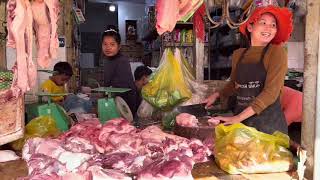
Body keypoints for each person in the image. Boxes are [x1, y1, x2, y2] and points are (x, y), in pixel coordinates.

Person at [204, 5, 293, 134]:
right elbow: (234, 84)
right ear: (250, 27)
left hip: (268, 128)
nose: (269, 28)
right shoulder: (238, 54)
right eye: (263, 22)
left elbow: (271, 93)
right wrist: (217, 95)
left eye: (273, 25)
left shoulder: (277, 53)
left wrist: (237, 118)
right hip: (243, 125)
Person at [101, 29, 138, 114]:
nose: (108, 47)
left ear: (119, 46)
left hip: (125, 102)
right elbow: (107, 82)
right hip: (114, 100)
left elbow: (125, 86)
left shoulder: (122, 61)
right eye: (105, 44)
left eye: (112, 44)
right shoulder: (106, 60)